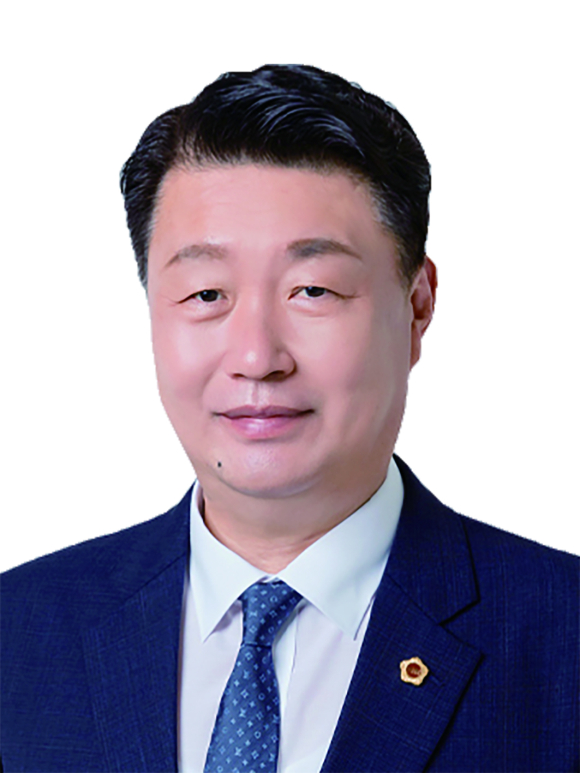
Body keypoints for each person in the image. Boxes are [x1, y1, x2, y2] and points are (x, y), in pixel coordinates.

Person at [1, 64, 577, 773]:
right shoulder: (18, 630)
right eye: (206, 293)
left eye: (313, 289)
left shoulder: (562, 636)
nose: (256, 357)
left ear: (417, 306)